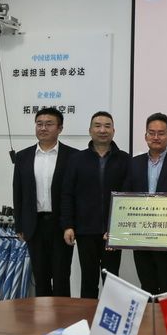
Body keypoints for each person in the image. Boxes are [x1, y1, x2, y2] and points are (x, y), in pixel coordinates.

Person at [62, 111, 129, 299]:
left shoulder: (125, 160)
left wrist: (119, 229)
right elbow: (67, 194)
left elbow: (129, 197)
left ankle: (110, 316)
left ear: (114, 131)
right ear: (90, 130)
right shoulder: (76, 159)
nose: (102, 130)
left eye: (107, 126)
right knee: (88, 280)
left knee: (112, 281)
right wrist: (68, 225)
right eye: (97, 126)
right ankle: (88, 316)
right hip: (85, 231)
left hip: (113, 233)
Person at [12, 107, 78, 297]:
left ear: (60, 128)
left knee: (61, 276)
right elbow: (18, 192)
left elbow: (75, 194)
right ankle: (43, 316)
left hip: (61, 225)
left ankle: (62, 315)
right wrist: (19, 225)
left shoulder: (73, 156)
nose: (43, 128)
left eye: (49, 124)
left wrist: (71, 224)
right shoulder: (23, 156)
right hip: (34, 225)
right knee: (40, 278)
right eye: (39, 124)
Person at [125, 113, 167, 295]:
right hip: (140, 233)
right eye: (151, 133)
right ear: (145, 136)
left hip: (166, 234)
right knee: (146, 283)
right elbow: (125, 197)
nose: (156, 137)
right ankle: (150, 313)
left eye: (161, 133)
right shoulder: (133, 164)